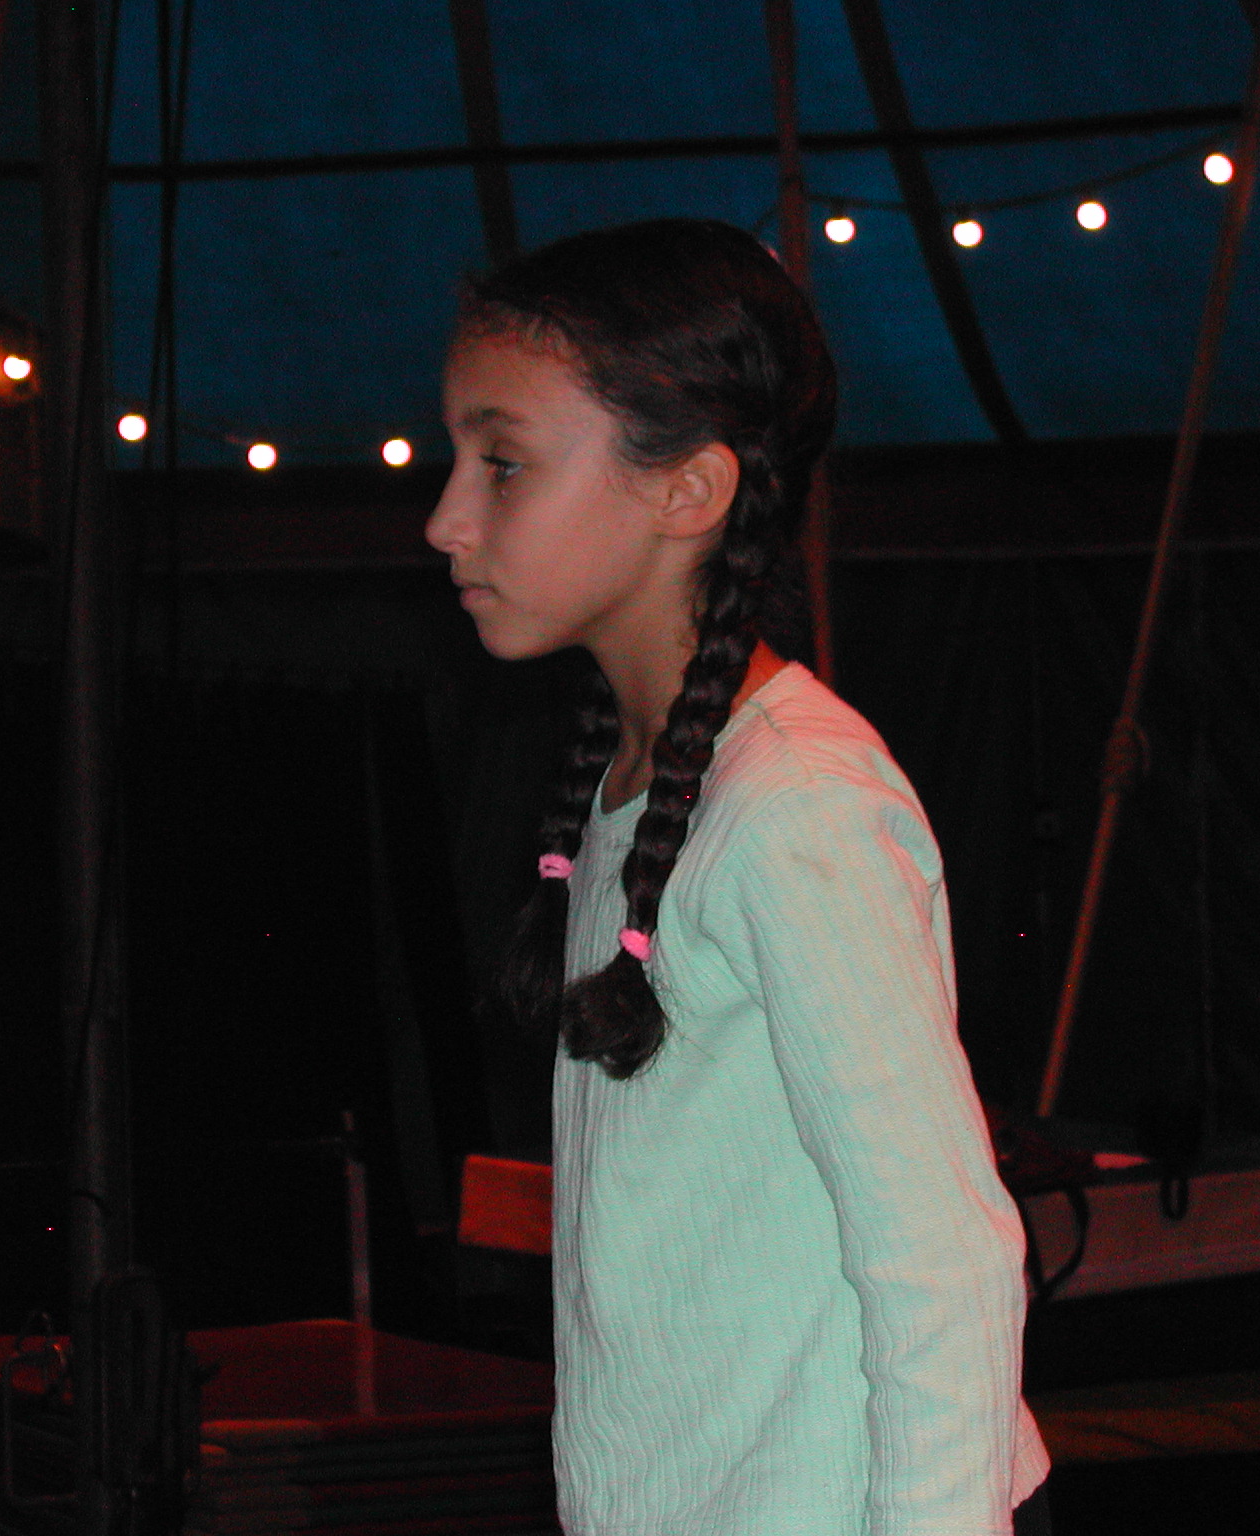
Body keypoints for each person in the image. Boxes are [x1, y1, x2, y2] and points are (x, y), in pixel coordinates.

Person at [426, 219, 1049, 1536]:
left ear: (690, 490)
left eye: (504, 463)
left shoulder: (797, 803)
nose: (446, 520)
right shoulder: (633, 784)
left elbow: (945, 1255)